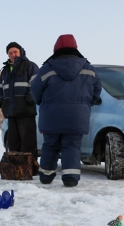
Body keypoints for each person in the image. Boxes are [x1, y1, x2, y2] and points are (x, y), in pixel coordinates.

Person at [30, 35, 101, 187]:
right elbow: (96, 91)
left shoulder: (47, 68)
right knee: (72, 145)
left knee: (50, 145)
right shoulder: (89, 68)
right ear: (75, 48)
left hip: (51, 116)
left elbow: (35, 91)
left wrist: (43, 103)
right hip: (77, 117)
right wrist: (85, 105)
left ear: (55, 49)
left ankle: (46, 177)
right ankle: (70, 179)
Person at [0, 42, 39, 168]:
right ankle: (15, 168)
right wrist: (2, 105)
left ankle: (30, 168)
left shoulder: (30, 66)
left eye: (15, 52)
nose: (13, 55)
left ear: (20, 51)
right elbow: (0, 89)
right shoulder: (5, 71)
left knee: (28, 143)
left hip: (26, 111)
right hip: (11, 112)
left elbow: (37, 86)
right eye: (10, 53)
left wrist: (29, 99)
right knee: (13, 143)